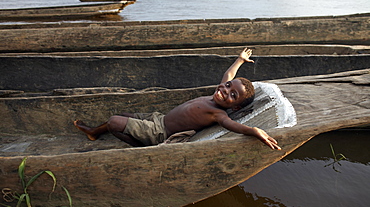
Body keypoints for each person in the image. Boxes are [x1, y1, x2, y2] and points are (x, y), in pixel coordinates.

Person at [74, 48, 281, 150]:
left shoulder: (218, 113)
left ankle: (139, 145)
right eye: (228, 87)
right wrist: (239, 60)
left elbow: (232, 126)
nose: (225, 90)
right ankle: (97, 132)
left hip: (159, 132)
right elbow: (229, 76)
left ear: (234, 107)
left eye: (232, 95)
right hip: (159, 118)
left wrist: (253, 131)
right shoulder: (216, 96)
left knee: (113, 122)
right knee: (123, 116)